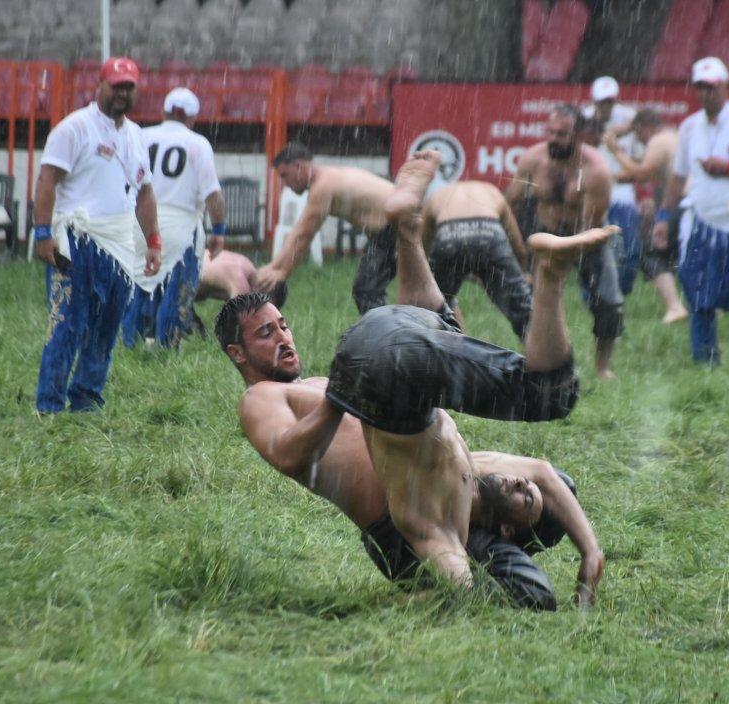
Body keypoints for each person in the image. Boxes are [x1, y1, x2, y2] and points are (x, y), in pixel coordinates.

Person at [219, 151, 607, 606]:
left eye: (283, 325)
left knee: (442, 331)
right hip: (396, 523)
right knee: (547, 396)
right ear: (237, 353)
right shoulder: (261, 397)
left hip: (405, 397)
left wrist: (343, 389)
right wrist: (342, 395)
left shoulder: (320, 384)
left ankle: (407, 230)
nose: (284, 337)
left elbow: (535, 471)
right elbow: (287, 455)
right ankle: (432, 236)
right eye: (267, 334)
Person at [31, 57, 161, 413]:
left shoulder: (135, 135)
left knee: (108, 325)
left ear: (136, 91)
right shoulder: (74, 128)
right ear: (99, 85)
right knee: (67, 325)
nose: (122, 93)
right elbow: (47, 181)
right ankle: (50, 404)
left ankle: (87, 398)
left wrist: (153, 241)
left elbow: (145, 192)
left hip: (118, 242)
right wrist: (43, 233)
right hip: (76, 238)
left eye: (128, 86)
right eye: (116, 85)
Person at [653, 57, 729, 371]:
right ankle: (705, 359)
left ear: (724, 86)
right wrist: (663, 218)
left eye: (711, 87)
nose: (706, 93)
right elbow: (679, 177)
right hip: (702, 217)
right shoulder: (690, 126)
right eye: (701, 88)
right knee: (697, 287)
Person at [504, 104, 624, 380]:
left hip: (588, 238)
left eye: (562, 133)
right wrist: (519, 252)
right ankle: (539, 360)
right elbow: (511, 204)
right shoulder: (533, 160)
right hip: (545, 233)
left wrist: (563, 260)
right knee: (529, 301)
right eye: (551, 132)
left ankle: (602, 367)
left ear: (578, 135)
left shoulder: (596, 171)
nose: (554, 139)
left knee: (609, 303)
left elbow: (589, 226)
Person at [121, 87, 226, 350]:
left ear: (164, 111)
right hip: (181, 222)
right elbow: (213, 193)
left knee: (138, 282)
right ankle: (167, 346)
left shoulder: (141, 136)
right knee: (177, 287)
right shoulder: (197, 143)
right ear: (192, 118)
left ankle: (130, 342)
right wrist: (219, 229)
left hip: (139, 219)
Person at [255, 143, 399, 315]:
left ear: (298, 166)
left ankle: (391, 336)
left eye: (285, 176)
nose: (285, 183)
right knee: (369, 290)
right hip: (390, 232)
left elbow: (304, 236)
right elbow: (298, 231)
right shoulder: (327, 178)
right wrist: (273, 266)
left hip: (400, 228)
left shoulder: (323, 187)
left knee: (369, 291)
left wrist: (283, 272)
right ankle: (391, 334)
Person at [604, 109, 689, 324]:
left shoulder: (659, 140)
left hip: (683, 201)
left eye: (638, 134)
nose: (639, 141)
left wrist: (615, 150)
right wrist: (608, 176)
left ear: (643, 128)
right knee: (693, 256)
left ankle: (674, 306)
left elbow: (640, 173)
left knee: (652, 253)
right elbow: (639, 169)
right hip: (694, 203)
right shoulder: (672, 137)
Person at [421, 180, 532, 340]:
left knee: (436, 304)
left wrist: (428, 280)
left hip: (448, 234)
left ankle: (454, 350)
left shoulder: (437, 195)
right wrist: (522, 274)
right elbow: (518, 246)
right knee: (524, 312)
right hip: (489, 231)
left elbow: (422, 251)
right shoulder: (491, 190)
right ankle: (545, 360)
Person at [583, 76, 645, 298]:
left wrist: (612, 176)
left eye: (610, 102)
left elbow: (640, 164)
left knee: (629, 250)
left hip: (621, 194)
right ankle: (592, 296)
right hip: (592, 195)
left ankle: (620, 293)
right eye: (602, 103)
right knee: (591, 248)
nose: (606, 107)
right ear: (594, 102)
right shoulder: (584, 120)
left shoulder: (630, 119)